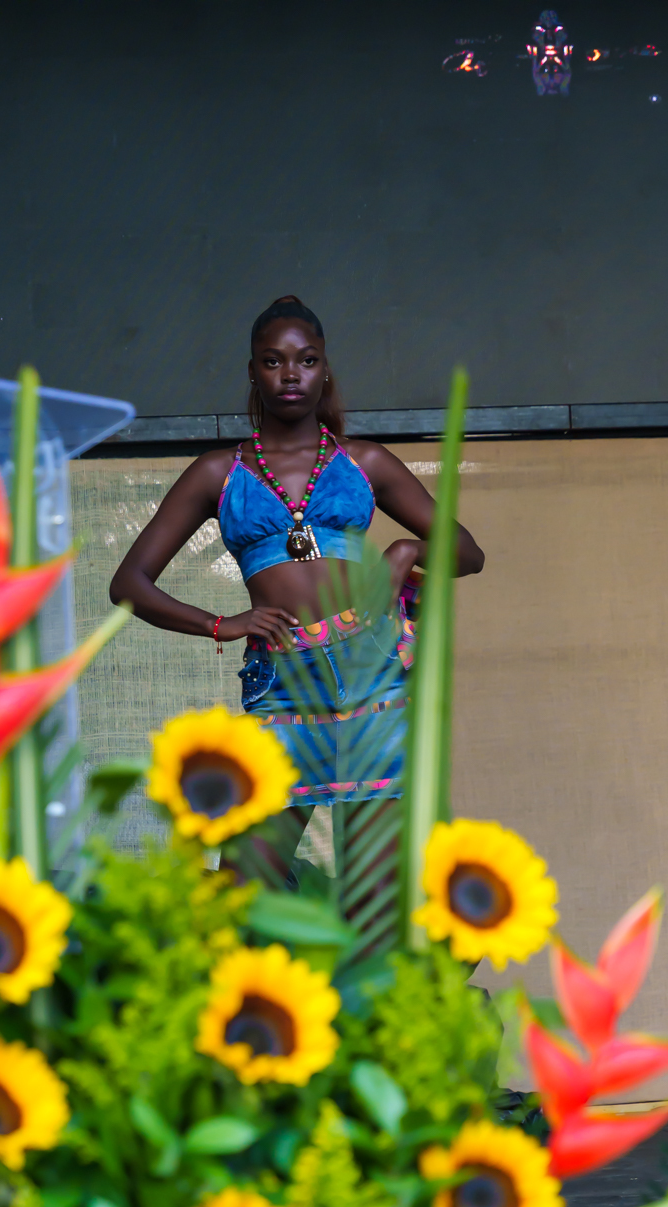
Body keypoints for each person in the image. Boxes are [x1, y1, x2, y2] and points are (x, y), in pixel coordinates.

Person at [109, 294, 484, 864]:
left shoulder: (365, 461)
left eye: (307, 360)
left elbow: (468, 551)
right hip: (282, 678)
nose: (291, 375)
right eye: (273, 361)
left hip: (373, 671)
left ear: (325, 369)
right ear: (253, 372)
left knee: (374, 890)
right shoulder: (218, 471)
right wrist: (220, 623)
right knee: (247, 880)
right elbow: (128, 585)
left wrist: (406, 549)